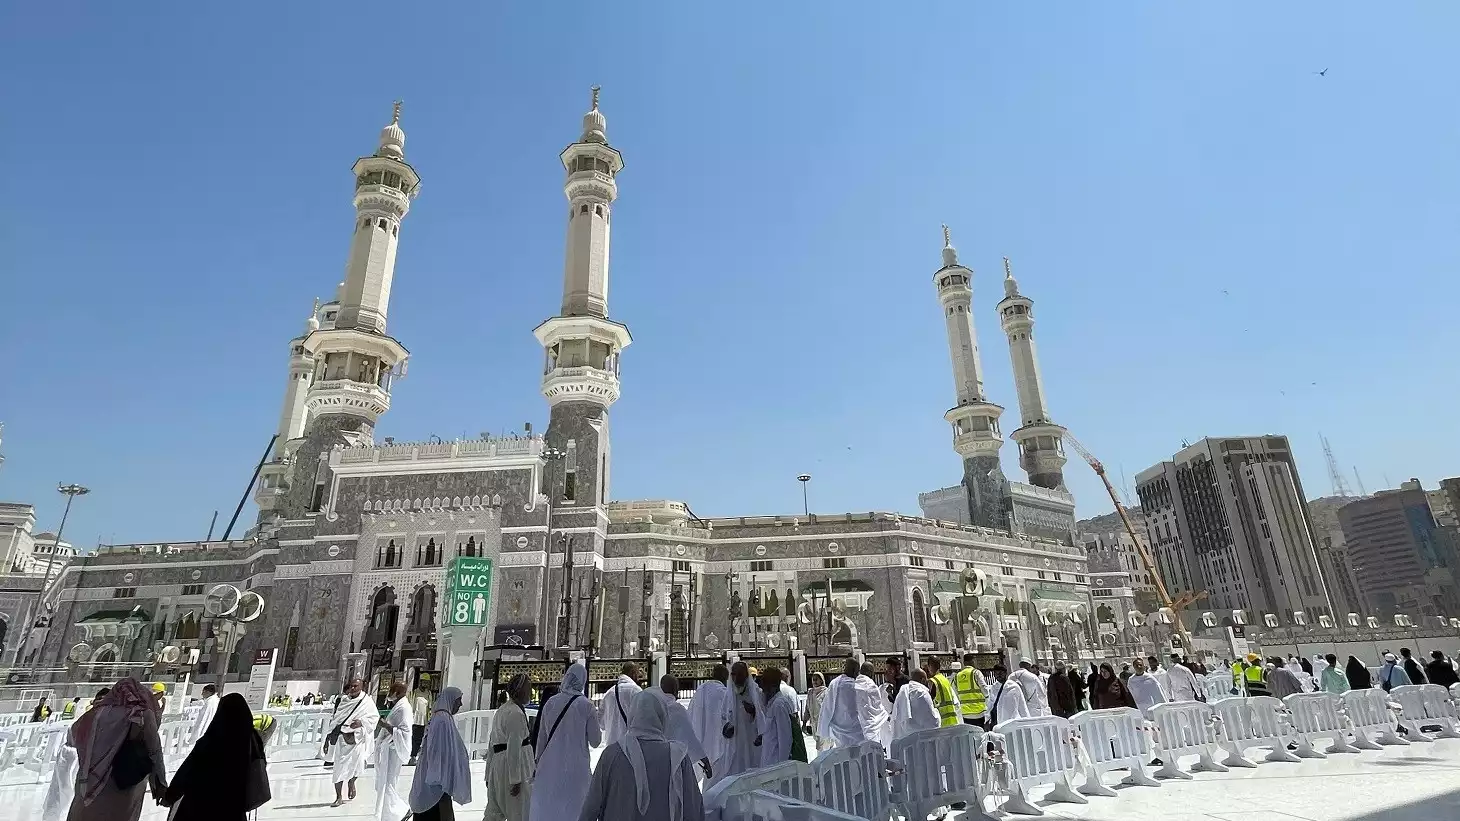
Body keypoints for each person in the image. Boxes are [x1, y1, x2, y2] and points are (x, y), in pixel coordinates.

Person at [577, 690, 704, 821]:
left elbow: (591, 806)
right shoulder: (678, 757)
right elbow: (693, 807)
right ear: (662, 716)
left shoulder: (612, 754)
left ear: (632, 715)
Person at [65, 677, 168, 821]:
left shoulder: (96, 712)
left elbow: (73, 736)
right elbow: (154, 750)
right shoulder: (141, 714)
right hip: (126, 779)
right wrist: (160, 783)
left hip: (92, 777)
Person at [160, 693, 269, 820]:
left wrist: (170, 796)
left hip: (200, 805)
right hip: (233, 806)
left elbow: (188, 770)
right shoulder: (253, 740)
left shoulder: (212, 740)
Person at [530, 663, 601, 821]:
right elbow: (596, 741)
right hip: (577, 769)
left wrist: (537, 765)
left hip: (550, 767)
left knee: (551, 811)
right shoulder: (587, 706)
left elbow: (541, 738)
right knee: (575, 811)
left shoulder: (551, 703)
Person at [409, 687, 472, 821]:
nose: (460, 704)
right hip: (437, 781)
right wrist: (439, 778)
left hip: (439, 779)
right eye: (458, 700)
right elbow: (438, 752)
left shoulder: (443, 718)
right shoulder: (442, 720)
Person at [483, 673, 534, 821]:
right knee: (517, 812)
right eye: (528, 688)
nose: (530, 692)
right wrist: (515, 779)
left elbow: (492, 745)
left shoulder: (503, 710)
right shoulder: (515, 713)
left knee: (495, 813)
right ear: (520, 691)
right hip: (511, 769)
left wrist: (489, 774)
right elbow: (513, 747)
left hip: (498, 767)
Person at [816, 658, 891, 748]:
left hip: (841, 731)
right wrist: (884, 715)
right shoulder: (863, 685)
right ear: (855, 670)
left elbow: (827, 707)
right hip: (858, 730)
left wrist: (824, 726)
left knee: (845, 756)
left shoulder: (835, 683)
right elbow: (874, 707)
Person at [327, 678, 378, 807]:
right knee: (338, 769)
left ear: (361, 687)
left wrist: (361, 722)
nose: (353, 688)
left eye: (356, 686)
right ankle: (338, 797)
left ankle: (352, 782)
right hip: (342, 738)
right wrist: (328, 737)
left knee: (358, 765)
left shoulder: (367, 701)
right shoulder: (344, 701)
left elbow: (374, 717)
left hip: (357, 739)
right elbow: (336, 719)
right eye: (351, 686)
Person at [654, 675, 711, 778]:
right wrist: (704, 759)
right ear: (676, 689)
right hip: (675, 761)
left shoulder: (653, 707)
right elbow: (690, 737)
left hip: (655, 761)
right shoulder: (677, 709)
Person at [374, 682, 413, 821]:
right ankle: (392, 813)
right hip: (389, 749)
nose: (390, 692)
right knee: (385, 782)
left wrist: (385, 725)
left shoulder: (404, 708)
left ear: (400, 692)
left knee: (388, 782)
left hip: (394, 750)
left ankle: (397, 812)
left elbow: (405, 732)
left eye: (393, 690)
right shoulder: (398, 705)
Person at [687, 664, 729, 771]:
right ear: (726, 678)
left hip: (701, 740)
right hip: (718, 744)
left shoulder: (700, 690)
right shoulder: (724, 693)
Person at [756, 668, 802, 765]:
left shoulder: (779, 705)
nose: (763, 690)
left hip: (776, 765)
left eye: (764, 686)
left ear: (772, 686)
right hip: (769, 762)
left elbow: (785, 740)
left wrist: (782, 768)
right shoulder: (772, 705)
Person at [891, 668, 940, 740]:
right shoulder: (921, 693)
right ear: (923, 680)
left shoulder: (902, 692)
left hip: (904, 741)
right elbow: (932, 723)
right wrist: (936, 711)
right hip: (920, 742)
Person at [602, 663, 643, 746]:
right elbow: (643, 718)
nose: (639, 676)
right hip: (631, 745)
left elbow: (602, 723)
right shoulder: (636, 691)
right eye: (637, 673)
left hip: (611, 744)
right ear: (633, 673)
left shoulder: (609, 693)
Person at [924, 657, 961, 727]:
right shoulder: (945, 680)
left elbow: (929, 702)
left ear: (930, 666)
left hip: (941, 722)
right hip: (953, 720)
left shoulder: (932, 681)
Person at [953, 654, 989, 726]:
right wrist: (988, 699)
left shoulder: (957, 676)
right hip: (979, 712)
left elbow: (955, 694)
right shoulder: (976, 673)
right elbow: (985, 689)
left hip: (965, 713)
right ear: (972, 661)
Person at [408, 679, 432, 765]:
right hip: (414, 720)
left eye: (427, 682)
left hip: (423, 721)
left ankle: (416, 757)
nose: (425, 684)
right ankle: (412, 756)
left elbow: (430, 707)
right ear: (420, 682)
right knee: (413, 738)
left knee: (420, 739)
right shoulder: (414, 693)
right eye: (424, 682)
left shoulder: (428, 694)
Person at [804, 672, 828, 750]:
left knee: (821, 750)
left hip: (825, 725)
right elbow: (807, 709)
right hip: (814, 725)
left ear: (821, 680)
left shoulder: (826, 692)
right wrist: (804, 723)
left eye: (816, 679)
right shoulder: (810, 693)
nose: (814, 681)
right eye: (813, 679)